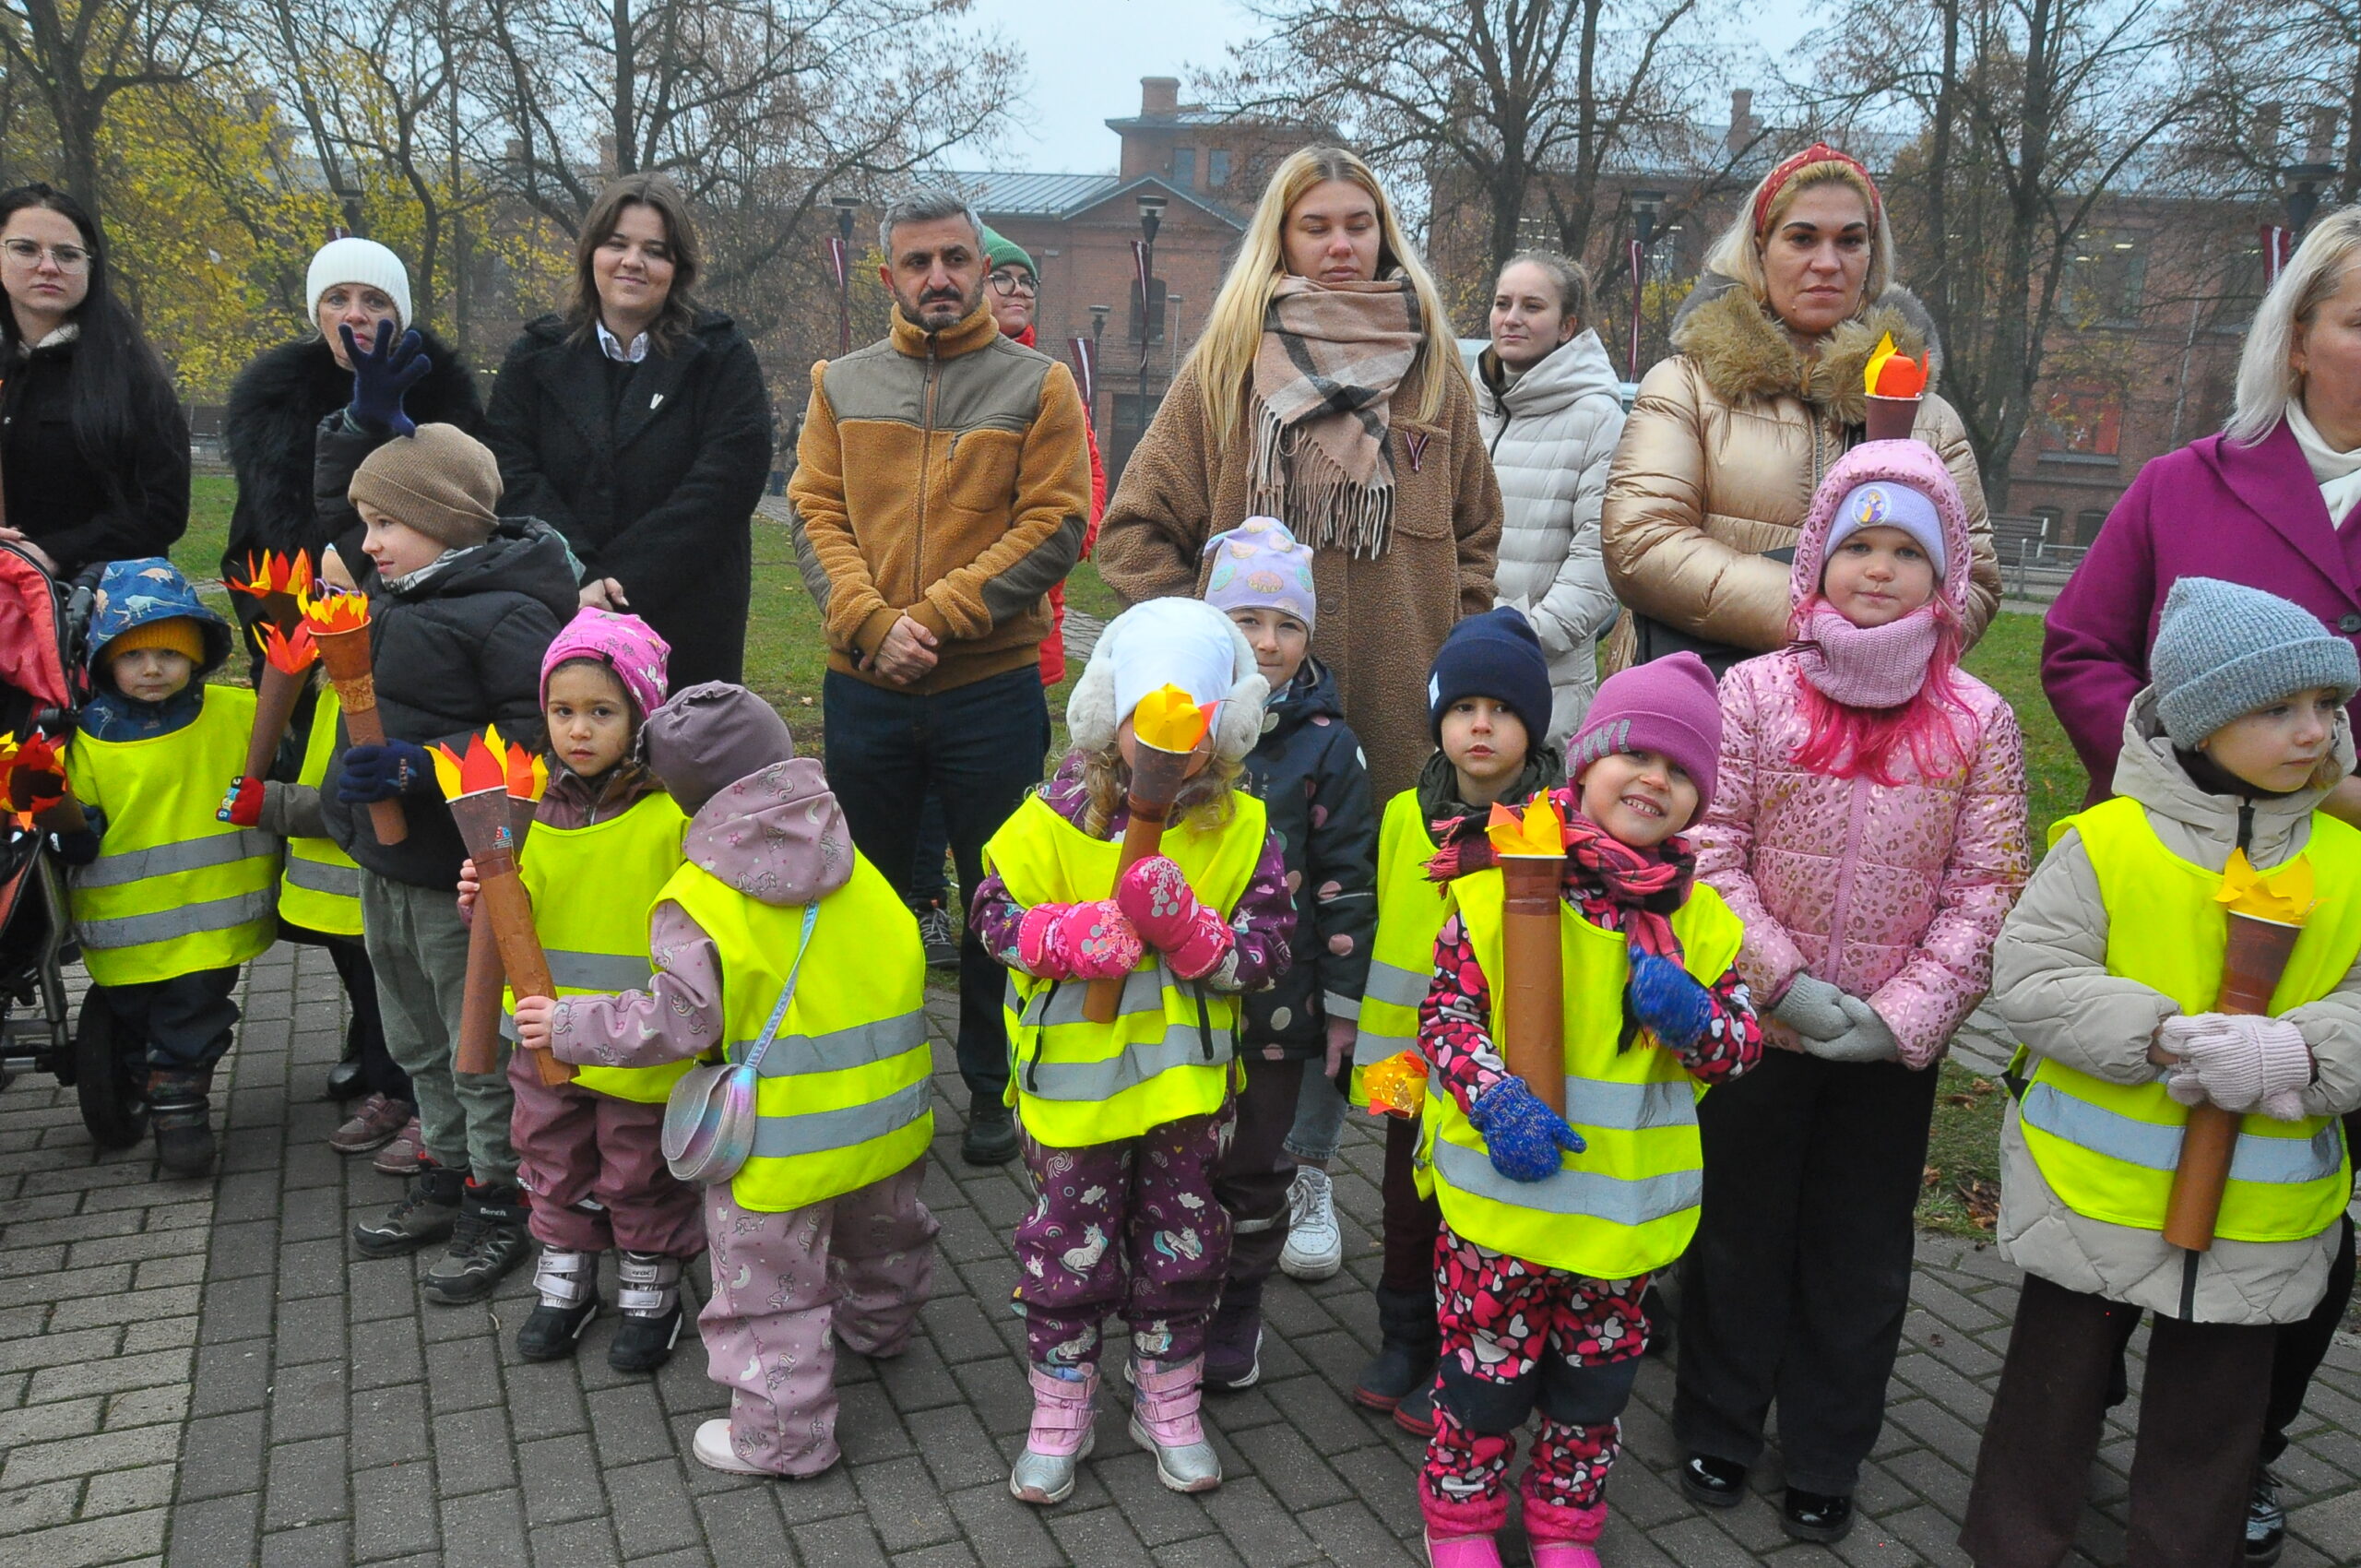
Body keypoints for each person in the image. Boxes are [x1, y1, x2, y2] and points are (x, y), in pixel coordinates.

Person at [2038, 207, 2361, 1566]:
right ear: (2298, 341)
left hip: (2343, 909)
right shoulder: (2186, 484)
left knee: (2303, 1204)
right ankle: (2072, 1427)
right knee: (2130, 1176)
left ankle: (2243, 1446)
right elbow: (2079, 650)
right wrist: (2186, 787)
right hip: (2176, 892)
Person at [1961, 576, 2361, 1568]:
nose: (2314, 730)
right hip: (2090, 1196)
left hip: (2261, 1215)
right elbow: (2033, 978)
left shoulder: (2348, 862)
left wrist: (2299, 1051)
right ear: (2201, 720)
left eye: (2327, 703)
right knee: (2049, 1397)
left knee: (2214, 1420)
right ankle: (2014, 1545)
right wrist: (2164, 1037)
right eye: (2278, 707)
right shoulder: (2109, 843)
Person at [1679, 441, 2029, 1542]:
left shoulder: (1978, 720)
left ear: (1945, 574)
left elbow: (1987, 885)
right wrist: (1776, 978)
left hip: (1884, 1047)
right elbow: (1709, 845)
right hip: (1760, 1027)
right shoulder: (1753, 692)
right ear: (1815, 561)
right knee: (1738, 1230)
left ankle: (1827, 1445)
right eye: (1857, 544)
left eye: (1905, 552)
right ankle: (1719, 1418)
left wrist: (1904, 1014)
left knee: (1858, 1251)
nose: (1878, 568)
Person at [514, 682, 937, 1478]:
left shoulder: (700, 895)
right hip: (889, 1119)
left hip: (777, 1143)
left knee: (768, 1293)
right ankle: (881, 1329)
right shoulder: (850, 856)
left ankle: (783, 1440)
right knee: (884, 1236)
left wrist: (568, 1025)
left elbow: (677, 1021)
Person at [1414, 653, 1763, 1568]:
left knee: (1592, 1393)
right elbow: (1445, 1015)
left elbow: (1737, 1050)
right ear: (1587, 762)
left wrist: (1696, 1018)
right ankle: (1461, 1517)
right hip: (1501, 1211)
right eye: (1635, 755)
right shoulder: (1498, 882)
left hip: (1618, 1222)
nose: (1654, 779)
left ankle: (1565, 1524)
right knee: (1482, 1379)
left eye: (1681, 769)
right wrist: (1493, 1098)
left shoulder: (1702, 923)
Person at [787, 189, 1091, 1169]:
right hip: (865, 688)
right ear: (889, 276)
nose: (939, 278)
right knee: (868, 899)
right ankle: (881, 1077)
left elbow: (1056, 524)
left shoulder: (1039, 385)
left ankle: (993, 1086)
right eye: (918, 262)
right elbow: (813, 514)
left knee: (997, 894)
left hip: (988, 689)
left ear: (981, 267)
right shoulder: (840, 383)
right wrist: (874, 626)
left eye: (956, 259)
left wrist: (937, 617)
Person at [968, 596, 1295, 1504]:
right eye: (1148, 712)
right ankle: (1059, 1402)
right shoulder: (1052, 816)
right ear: (1107, 713)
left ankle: (1168, 1396)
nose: (1170, 736)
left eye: (1194, 716)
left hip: (1182, 1093)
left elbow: (1269, 949)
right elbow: (990, 913)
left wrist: (1197, 937)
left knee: (1183, 1244)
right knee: (1067, 1247)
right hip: (1074, 1090)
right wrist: (1061, 936)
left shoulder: (1242, 828)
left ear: (1227, 725)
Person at [1094, 145, 1502, 802]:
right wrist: (1202, 648)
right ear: (1280, 240)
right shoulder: (1225, 370)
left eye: (1359, 225)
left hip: (1401, 732)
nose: (1341, 245)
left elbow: (1476, 533)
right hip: (1249, 735)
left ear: (1382, 235)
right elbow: (1132, 534)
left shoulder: (1434, 374)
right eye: (1316, 227)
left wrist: (1450, 650)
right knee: (1254, 870)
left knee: (1394, 866)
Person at [222, 233, 481, 1135]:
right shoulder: (274, 403)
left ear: (401, 312)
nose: (356, 316)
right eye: (338, 300)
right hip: (308, 656)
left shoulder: (443, 400)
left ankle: (407, 1068)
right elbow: (255, 534)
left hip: (407, 649)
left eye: (375, 300)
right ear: (316, 313)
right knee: (337, 867)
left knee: (406, 858)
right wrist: (270, 626)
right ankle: (375, 1042)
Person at [316, 415, 575, 1304]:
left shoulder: (507, 612)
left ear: (447, 519)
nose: (366, 541)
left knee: (476, 1047)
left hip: (455, 880)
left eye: (385, 521)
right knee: (415, 1039)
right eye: (366, 521)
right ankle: (444, 1165)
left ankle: (499, 1194)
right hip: (384, 869)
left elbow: (533, 740)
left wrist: (417, 770)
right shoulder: (395, 595)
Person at [1598, 143, 1999, 677]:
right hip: (1696, 700)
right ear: (1760, 248)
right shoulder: (1686, 386)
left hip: (1865, 713)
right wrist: (1822, 621)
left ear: (1872, 255)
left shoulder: (1929, 418)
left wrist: (1884, 647)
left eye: (1850, 241)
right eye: (1803, 238)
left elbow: (1976, 581)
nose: (1827, 263)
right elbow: (1642, 545)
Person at [463, 610, 697, 1372]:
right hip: (543, 1033)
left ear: (642, 716)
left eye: (602, 712)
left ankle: (650, 1278)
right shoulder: (522, 806)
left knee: (638, 1164)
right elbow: (514, 910)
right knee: (551, 1153)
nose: (579, 730)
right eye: (562, 712)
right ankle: (567, 1275)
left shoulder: (673, 812)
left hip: (638, 1040)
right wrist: (481, 898)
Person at [1352, 607, 1563, 1432]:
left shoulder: (1551, 826)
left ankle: (1456, 1347)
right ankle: (1401, 1336)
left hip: (1490, 1064)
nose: (1482, 725)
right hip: (1403, 1057)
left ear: (1531, 726)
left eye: (1504, 710)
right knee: (1403, 1203)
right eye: (1464, 707)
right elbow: (1382, 923)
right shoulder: (1404, 814)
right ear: (1438, 718)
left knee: (1470, 1210)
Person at [900, 225, 1110, 966]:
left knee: (1006, 779)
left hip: (1026, 620)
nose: (1018, 290)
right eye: (1005, 278)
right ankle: (927, 901)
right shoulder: (925, 374)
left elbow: (1082, 485)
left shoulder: (1049, 382)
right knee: (927, 782)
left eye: (1027, 281)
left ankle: (996, 911)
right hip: (925, 623)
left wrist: (1061, 548)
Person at [1200, 517, 1377, 1379]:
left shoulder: (1329, 743)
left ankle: (1237, 1310)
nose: (1268, 643)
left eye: (1287, 625)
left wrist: (1342, 1010)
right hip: (1177, 1004)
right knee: (1174, 1168)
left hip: (1278, 1008)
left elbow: (1348, 882)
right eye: (1247, 621)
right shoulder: (1177, 724)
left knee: (1256, 1170)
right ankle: (1166, 1306)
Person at [485, 172, 773, 688]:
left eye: (654, 251)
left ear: (677, 267)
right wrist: (579, 573)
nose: (632, 261)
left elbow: (724, 486)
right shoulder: (532, 357)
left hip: (685, 620)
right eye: (617, 244)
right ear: (591, 253)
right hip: (560, 610)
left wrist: (618, 585)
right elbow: (511, 473)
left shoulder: (723, 356)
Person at [66, 561, 272, 1175]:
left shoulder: (238, 713)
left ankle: (180, 1106)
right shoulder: (85, 739)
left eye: (169, 653)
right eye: (132, 656)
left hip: (214, 919)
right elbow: (76, 820)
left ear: (197, 656)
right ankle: (148, 1076)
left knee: (191, 1013)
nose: (152, 669)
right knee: (137, 1013)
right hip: (123, 926)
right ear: (105, 661)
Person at [0, 184, 187, 577]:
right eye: (25, 249)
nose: (48, 266)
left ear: (90, 267)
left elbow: (162, 509)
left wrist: (53, 552)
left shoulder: (129, 376)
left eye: (67, 254)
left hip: (96, 596)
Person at [1477, 250, 1625, 745]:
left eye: (1533, 306)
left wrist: (1523, 636)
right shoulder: (1468, 404)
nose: (1512, 318)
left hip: (1544, 674)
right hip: (1455, 658)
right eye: (1503, 303)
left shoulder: (1598, 418)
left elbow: (1599, 555)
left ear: (1567, 327)